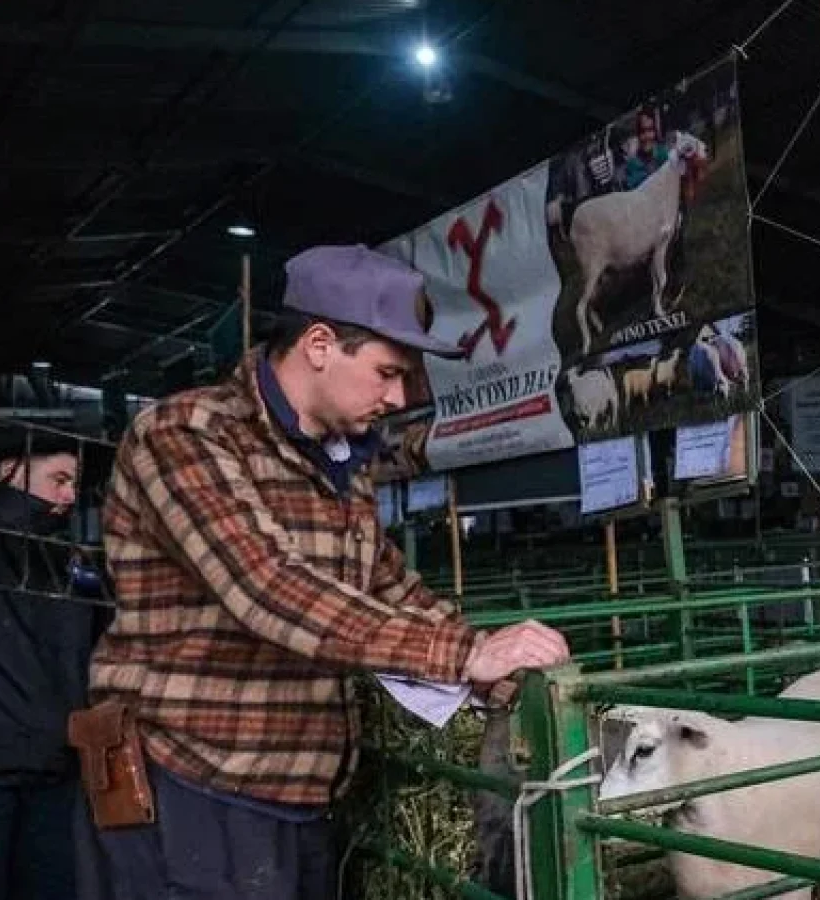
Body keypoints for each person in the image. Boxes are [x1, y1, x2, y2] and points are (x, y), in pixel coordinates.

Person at [84, 245, 571, 900]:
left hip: (302, 799)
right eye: (386, 372)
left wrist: (496, 668)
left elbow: (384, 583)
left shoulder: (341, 462)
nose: (397, 397)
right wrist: (463, 654)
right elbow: (266, 587)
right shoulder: (184, 434)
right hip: (193, 791)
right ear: (318, 343)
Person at [0, 430, 103, 899]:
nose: (69, 495)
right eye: (59, 479)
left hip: (53, 772)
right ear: (10, 469)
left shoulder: (66, 563)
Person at [621, 110, 671, 190]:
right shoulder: (632, 164)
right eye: (642, 132)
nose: (647, 136)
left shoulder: (663, 155)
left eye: (650, 130)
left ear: (655, 131)